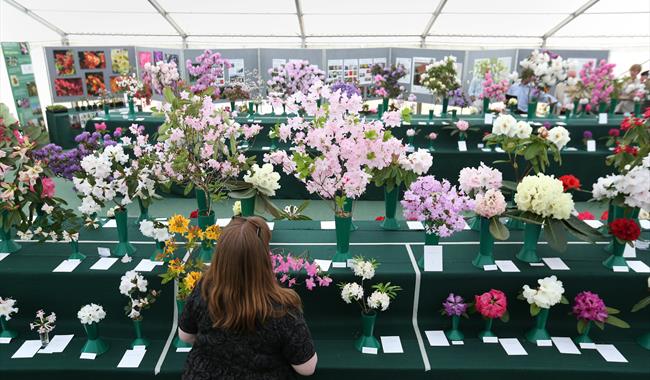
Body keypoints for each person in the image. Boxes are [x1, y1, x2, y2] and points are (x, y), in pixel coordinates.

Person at [178, 216, 318, 379]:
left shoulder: (204, 289)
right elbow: (307, 368)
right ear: (263, 257)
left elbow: (185, 336)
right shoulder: (281, 308)